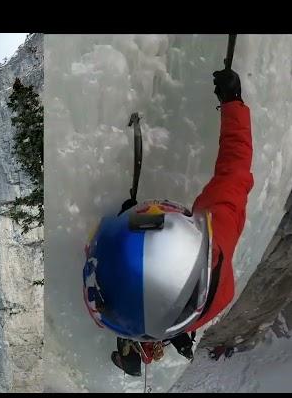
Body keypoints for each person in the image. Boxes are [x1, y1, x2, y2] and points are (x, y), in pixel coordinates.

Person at [83, 67, 253, 376]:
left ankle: (157, 337)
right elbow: (234, 167)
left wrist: (121, 227)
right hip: (189, 307)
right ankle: (162, 335)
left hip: (179, 311)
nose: (151, 207)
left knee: (139, 308)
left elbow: (97, 266)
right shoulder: (218, 231)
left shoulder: (117, 294)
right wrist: (233, 104)